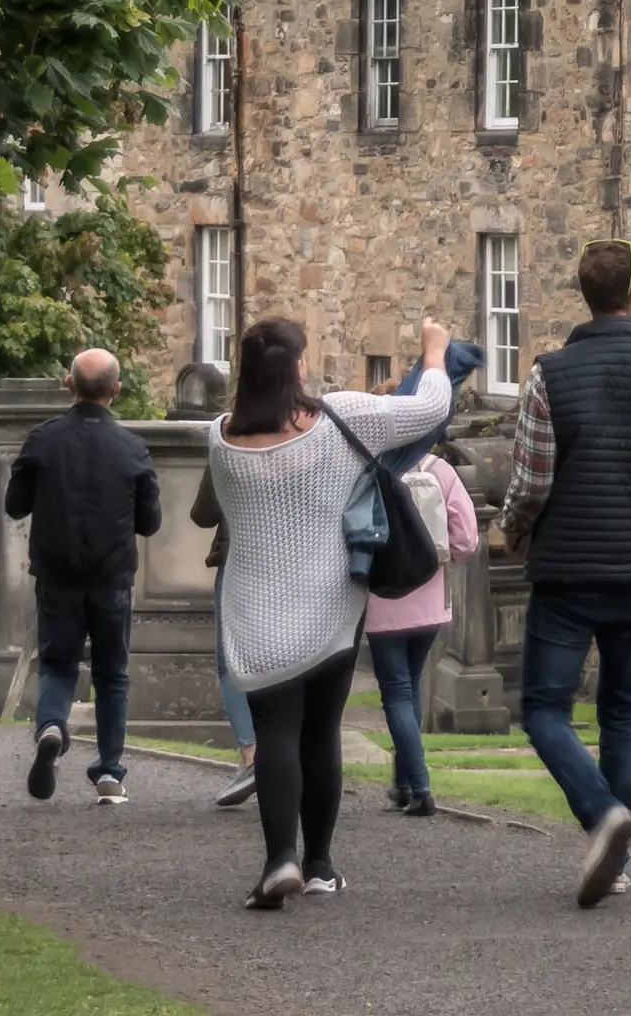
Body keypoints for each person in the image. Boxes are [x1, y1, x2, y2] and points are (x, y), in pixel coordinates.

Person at [492, 238, 631, 909]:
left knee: (542, 709)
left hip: (567, 575)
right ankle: (616, 863)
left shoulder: (547, 375)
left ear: (585, 296)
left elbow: (531, 483)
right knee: (623, 712)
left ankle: (600, 815)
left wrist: (513, 532)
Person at [206, 311, 452, 908]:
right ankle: (318, 863)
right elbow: (430, 409)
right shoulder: (342, 417)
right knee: (321, 733)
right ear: (297, 365)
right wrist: (434, 351)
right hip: (330, 606)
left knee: (275, 733)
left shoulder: (217, 437)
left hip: (254, 610)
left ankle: (278, 861)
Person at [4, 347, 159, 805]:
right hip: (111, 576)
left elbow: (15, 505)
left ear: (69, 385)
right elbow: (150, 523)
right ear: (116, 389)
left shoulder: (42, 439)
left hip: (56, 574)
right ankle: (109, 773)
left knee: (57, 663)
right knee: (112, 675)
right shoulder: (132, 448)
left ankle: (51, 724)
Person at [363, 437, 479, 815]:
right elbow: (467, 538)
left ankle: (421, 786)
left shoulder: (369, 472)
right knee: (410, 688)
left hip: (384, 600)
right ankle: (403, 783)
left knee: (396, 694)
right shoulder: (440, 471)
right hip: (430, 600)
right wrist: (437, 560)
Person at [188, 467, 258, 811]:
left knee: (231, 660)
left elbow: (202, 514)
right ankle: (288, 757)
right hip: (294, 560)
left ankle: (251, 755)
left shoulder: (231, 437)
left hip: (239, 560)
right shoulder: (306, 432)